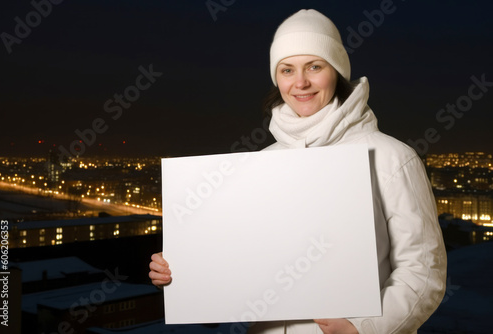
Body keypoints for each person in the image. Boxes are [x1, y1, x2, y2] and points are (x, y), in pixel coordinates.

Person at [149, 9, 447, 334]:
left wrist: (363, 329)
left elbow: (423, 272)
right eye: (287, 69)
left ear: (337, 72)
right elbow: (239, 266)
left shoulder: (392, 157)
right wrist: (182, 273)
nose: (300, 82)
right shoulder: (262, 163)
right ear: (276, 79)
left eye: (314, 67)